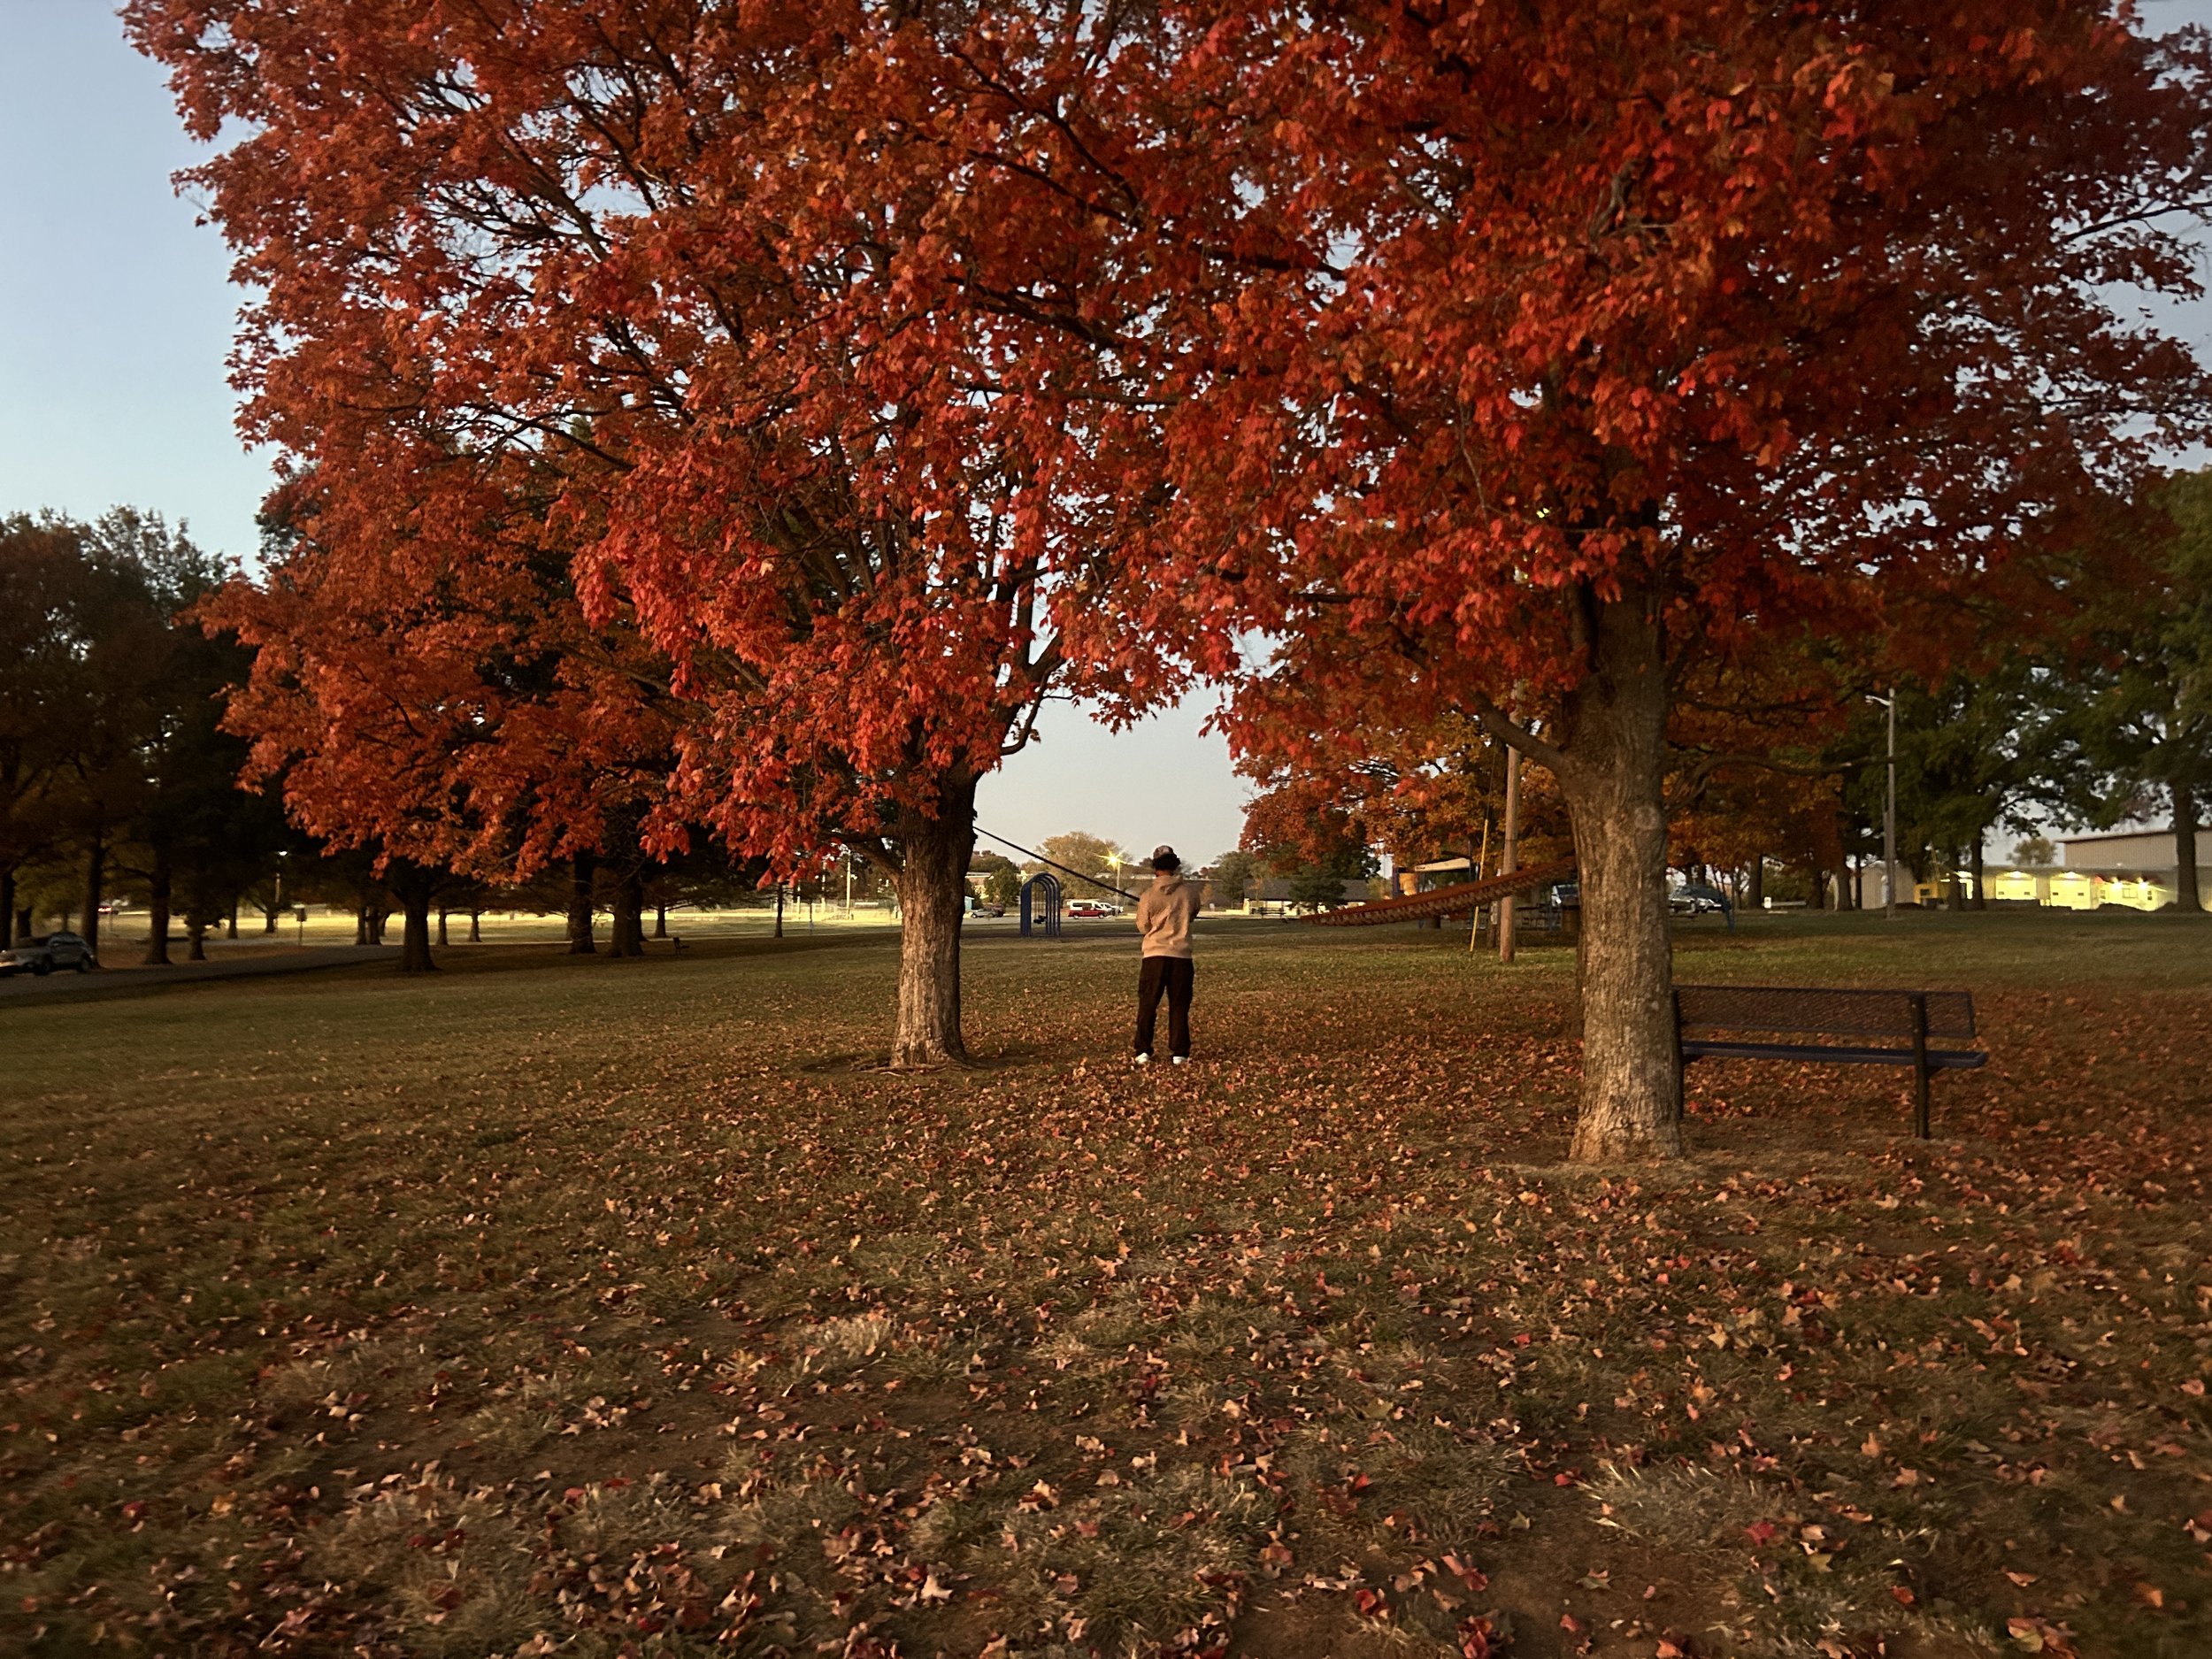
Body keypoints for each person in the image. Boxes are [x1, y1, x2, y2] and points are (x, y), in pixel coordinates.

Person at [1132, 845, 1203, 1065]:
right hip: (1181, 956)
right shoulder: (1190, 893)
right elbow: (1192, 913)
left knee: (1148, 1004)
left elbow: (1143, 926)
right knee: (1179, 1005)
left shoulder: (1148, 895)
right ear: (1176, 866)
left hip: (1154, 955)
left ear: (1155, 868)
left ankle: (1143, 1050)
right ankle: (1179, 1052)